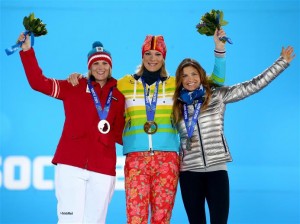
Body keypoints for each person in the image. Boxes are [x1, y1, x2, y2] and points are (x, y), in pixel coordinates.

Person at [67, 28, 227, 223]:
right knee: (136, 219)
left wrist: (219, 50)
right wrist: (81, 77)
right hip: (136, 159)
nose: (153, 58)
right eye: (148, 54)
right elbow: (101, 83)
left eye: (158, 54)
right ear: (142, 56)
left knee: (161, 219)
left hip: (167, 160)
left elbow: (216, 81)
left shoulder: (176, 84)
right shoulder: (124, 83)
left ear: (164, 57)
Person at [172, 46, 295, 224]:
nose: (190, 79)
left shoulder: (217, 96)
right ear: (179, 80)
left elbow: (252, 85)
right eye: (184, 75)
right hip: (189, 174)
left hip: (217, 171)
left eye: (193, 74)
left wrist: (281, 63)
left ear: (201, 75)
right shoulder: (176, 104)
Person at [18, 32, 125, 224]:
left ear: (110, 67)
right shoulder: (73, 85)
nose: (100, 68)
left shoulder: (118, 97)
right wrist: (27, 51)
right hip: (70, 164)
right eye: (95, 63)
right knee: (69, 220)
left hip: (103, 168)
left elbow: (121, 134)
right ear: (89, 67)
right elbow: (38, 83)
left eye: (104, 63)